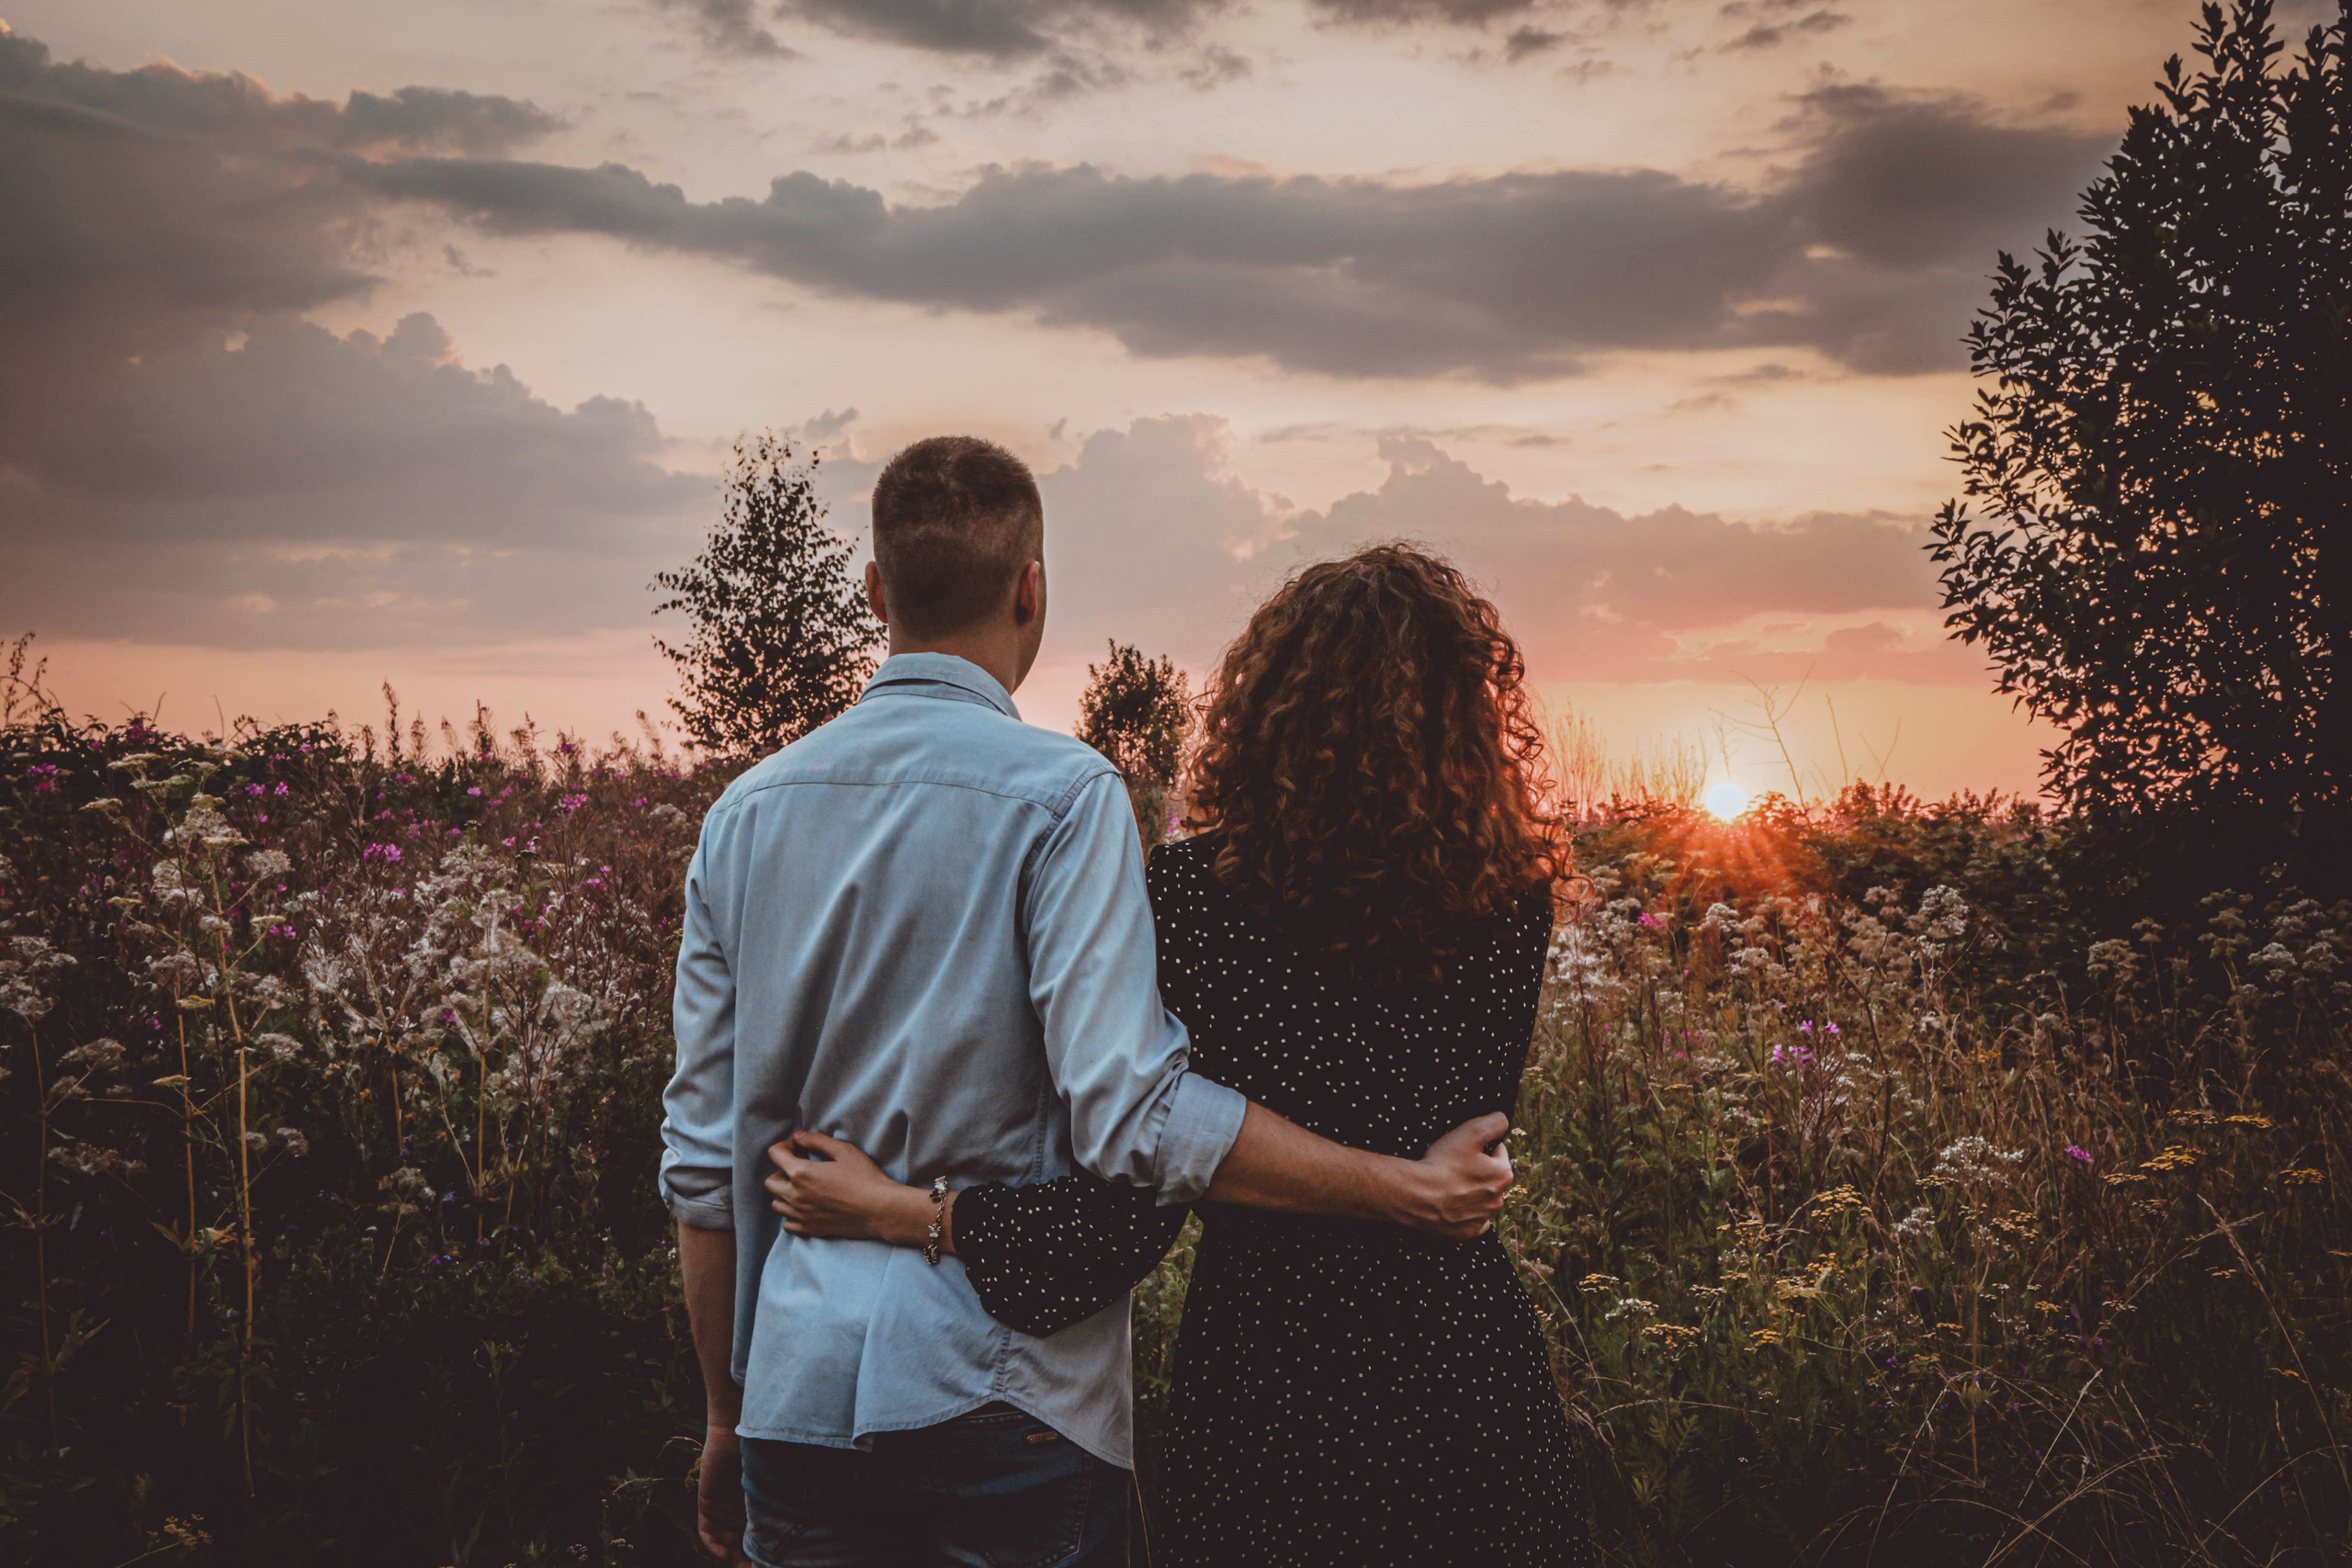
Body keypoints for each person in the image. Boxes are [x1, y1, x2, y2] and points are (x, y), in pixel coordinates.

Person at [659, 439, 1519, 1568]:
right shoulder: (1063, 798)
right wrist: (1400, 1189)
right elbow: (1131, 1116)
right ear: (1032, 586)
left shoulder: (742, 816)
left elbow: (704, 1166)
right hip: (1007, 1392)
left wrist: (724, 1413)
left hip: (797, 1396)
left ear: (874, 591)